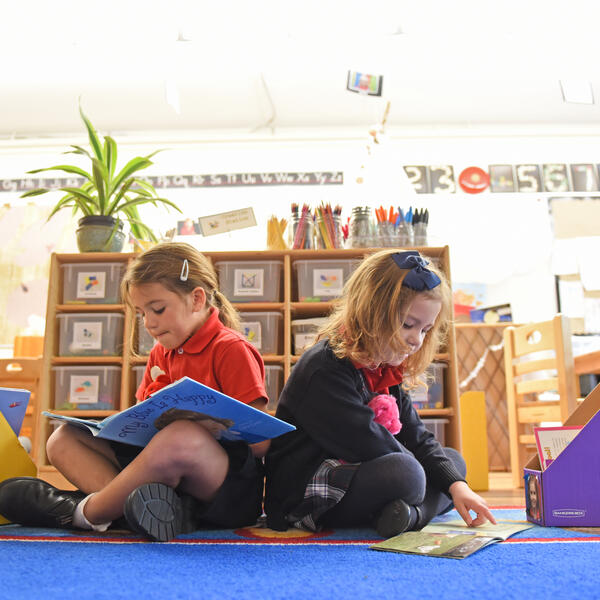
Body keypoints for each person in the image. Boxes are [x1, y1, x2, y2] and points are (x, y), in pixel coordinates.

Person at [0, 242, 269, 542]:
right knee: (62, 438)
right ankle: (141, 510)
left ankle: (83, 514)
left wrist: (210, 426)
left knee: (181, 435)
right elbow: (141, 424)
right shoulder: (161, 352)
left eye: (157, 309)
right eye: (141, 313)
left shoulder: (231, 349)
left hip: (225, 489)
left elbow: (262, 444)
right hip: (163, 476)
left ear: (196, 299)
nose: (148, 323)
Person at [264, 249, 496, 536]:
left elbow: (416, 434)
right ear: (372, 312)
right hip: (306, 492)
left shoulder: (385, 366)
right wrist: (431, 475)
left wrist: (456, 485)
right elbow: (370, 442)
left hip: (360, 467)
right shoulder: (324, 368)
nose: (416, 340)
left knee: (453, 464)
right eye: (408, 325)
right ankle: (414, 512)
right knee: (410, 474)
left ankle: (408, 516)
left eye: (426, 330)